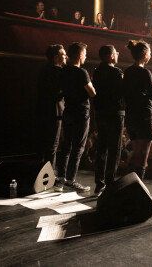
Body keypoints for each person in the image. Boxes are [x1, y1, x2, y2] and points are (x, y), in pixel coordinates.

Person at [56, 42, 96, 192]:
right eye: (85, 54)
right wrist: (91, 82)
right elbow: (92, 93)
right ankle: (71, 179)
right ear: (80, 56)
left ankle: (61, 178)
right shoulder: (82, 72)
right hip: (81, 113)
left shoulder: (63, 71)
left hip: (68, 111)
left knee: (66, 145)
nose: (86, 57)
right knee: (78, 147)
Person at [122, 40, 152, 180]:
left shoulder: (128, 72)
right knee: (143, 156)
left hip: (132, 116)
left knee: (136, 154)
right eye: (150, 52)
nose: (151, 55)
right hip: (144, 116)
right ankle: (138, 187)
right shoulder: (145, 72)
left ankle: (129, 185)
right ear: (145, 55)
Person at [92, 45, 125, 194]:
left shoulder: (97, 72)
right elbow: (121, 93)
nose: (118, 54)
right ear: (111, 56)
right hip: (115, 114)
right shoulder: (116, 72)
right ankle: (110, 181)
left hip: (101, 114)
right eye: (116, 52)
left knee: (101, 148)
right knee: (114, 149)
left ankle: (99, 182)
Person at [36, 44, 66, 175]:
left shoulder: (43, 70)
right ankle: (50, 174)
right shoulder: (58, 71)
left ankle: (39, 172)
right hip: (55, 112)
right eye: (63, 54)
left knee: (43, 144)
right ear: (56, 57)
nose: (66, 56)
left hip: (43, 110)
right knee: (53, 145)